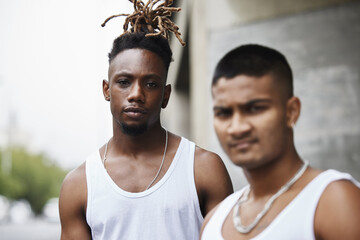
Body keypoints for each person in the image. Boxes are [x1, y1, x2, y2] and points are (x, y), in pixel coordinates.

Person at [59, 1, 233, 239]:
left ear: (166, 95)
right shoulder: (79, 184)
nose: (136, 94)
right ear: (106, 90)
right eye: (123, 82)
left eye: (150, 84)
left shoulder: (203, 169)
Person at [200, 44, 360, 239]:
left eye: (255, 108)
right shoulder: (214, 221)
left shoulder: (331, 200)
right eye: (224, 113)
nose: (237, 127)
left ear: (291, 111)